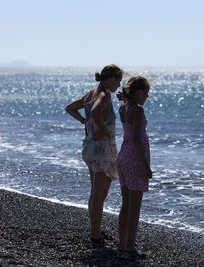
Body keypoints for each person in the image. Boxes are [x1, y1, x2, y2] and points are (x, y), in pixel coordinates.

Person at [65, 64, 123, 247]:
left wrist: (85, 121)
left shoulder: (90, 93)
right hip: (102, 150)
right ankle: (95, 236)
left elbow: (70, 108)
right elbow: (97, 111)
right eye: (118, 80)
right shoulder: (104, 95)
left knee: (94, 194)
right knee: (99, 196)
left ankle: (95, 232)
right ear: (109, 78)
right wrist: (103, 130)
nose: (119, 85)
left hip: (90, 147)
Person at [116, 76, 152, 258]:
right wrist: (146, 166)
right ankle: (129, 248)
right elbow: (137, 139)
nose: (147, 96)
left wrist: (124, 98)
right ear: (138, 92)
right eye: (146, 92)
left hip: (122, 157)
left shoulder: (123, 108)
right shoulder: (137, 111)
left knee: (126, 205)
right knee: (134, 207)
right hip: (135, 159)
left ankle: (122, 244)